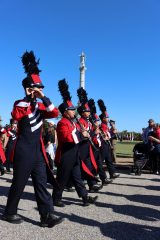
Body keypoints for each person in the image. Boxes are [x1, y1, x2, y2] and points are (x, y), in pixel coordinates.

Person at [2, 51, 63, 227]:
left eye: (41, 88)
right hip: (23, 149)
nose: (41, 89)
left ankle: (46, 216)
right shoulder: (21, 103)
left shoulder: (40, 106)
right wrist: (29, 96)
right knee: (19, 183)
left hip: (37, 151)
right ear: (29, 88)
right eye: (38, 87)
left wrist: (42, 96)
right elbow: (15, 113)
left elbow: (54, 112)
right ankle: (9, 212)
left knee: (41, 183)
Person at [52, 79, 98, 207]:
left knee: (77, 177)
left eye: (73, 109)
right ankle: (56, 198)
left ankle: (84, 197)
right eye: (71, 110)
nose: (74, 111)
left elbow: (78, 136)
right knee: (61, 178)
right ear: (65, 111)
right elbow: (67, 137)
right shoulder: (62, 123)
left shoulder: (73, 122)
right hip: (66, 153)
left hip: (75, 153)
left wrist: (86, 135)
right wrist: (80, 134)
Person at [97, 99, 120, 179]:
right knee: (100, 161)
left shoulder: (106, 126)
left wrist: (113, 132)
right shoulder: (102, 125)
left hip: (107, 144)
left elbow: (109, 135)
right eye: (107, 117)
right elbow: (102, 135)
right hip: (103, 145)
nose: (108, 118)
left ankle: (112, 173)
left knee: (109, 160)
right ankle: (95, 175)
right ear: (103, 118)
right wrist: (112, 133)